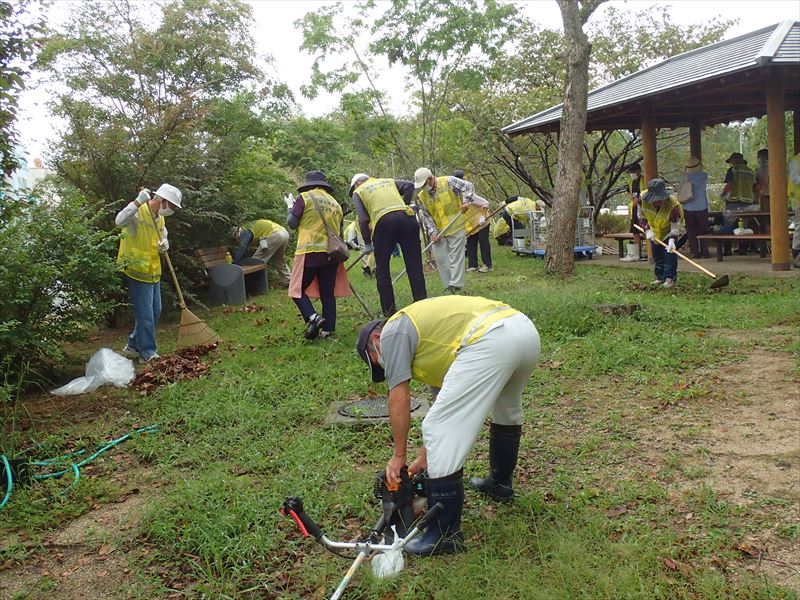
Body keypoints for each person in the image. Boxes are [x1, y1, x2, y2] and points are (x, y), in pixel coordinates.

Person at [356, 296, 541, 556]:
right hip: (523, 332)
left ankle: (444, 534)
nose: (385, 369)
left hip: (491, 339)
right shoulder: (435, 343)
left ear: (375, 340)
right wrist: (423, 457)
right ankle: (500, 484)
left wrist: (399, 456)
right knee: (506, 408)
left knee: (438, 427)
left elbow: (399, 398)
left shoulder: (392, 332)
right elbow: (443, 403)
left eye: (376, 362)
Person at [116, 184, 182, 363]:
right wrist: (137, 202)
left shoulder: (160, 219)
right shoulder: (138, 212)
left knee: (155, 311)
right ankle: (148, 353)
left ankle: (132, 345)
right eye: (173, 206)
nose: (173, 210)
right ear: (163, 200)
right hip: (137, 269)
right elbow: (119, 221)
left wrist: (165, 244)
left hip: (153, 271)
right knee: (145, 314)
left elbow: (163, 235)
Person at [349, 173, 427, 316]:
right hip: (407, 220)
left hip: (384, 224)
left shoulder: (358, 191)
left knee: (382, 269)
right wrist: (405, 204)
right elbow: (409, 185)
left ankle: (389, 311)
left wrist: (367, 243)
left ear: (357, 183)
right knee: (414, 266)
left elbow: (363, 219)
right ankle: (421, 304)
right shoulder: (388, 181)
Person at [286, 170, 350, 340]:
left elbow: (292, 223)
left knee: (296, 290)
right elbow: (340, 232)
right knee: (327, 293)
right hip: (332, 254)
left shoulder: (305, 198)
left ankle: (313, 318)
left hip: (310, 251)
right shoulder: (335, 203)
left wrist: (289, 207)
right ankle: (328, 330)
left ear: (308, 184)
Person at [413, 167, 489, 294]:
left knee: (456, 256)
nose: (423, 188)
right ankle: (447, 284)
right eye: (420, 186)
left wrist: (466, 202)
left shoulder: (448, 181)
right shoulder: (422, 196)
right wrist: (432, 232)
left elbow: (468, 186)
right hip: (439, 230)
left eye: (424, 184)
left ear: (431, 179)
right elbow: (426, 215)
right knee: (441, 258)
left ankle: (456, 285)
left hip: (456, 226)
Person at [640, 179, 684, 289]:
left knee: (669, 254)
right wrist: (647, 230)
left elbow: (676, 224)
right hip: (654, 232)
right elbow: (641, 217)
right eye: (655, 200)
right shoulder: (642, 200)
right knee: (657, 254)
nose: (658, 202)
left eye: (660, 199)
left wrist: (672, 239)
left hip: (669, 231)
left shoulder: (673, 204)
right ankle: (659, 277)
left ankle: (670, 278)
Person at [230, 219, 291, 287]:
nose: (236, 241)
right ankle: (288, 281)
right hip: (284, 233)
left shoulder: (244, 230)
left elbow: (242, 247)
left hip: (275, 234)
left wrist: (234, 263)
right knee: (279, 260)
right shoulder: (251, 226)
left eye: (235, 239)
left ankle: (253, 286)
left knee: (255, 261)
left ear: (236, 233)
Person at [455, 170, 493, 273]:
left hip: (481, 221)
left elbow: (485, 203)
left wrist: (482, 217)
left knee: (483, 242)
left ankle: (487, 265)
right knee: (471, 243)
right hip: (471, 225)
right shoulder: (456, 197)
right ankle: (473, 265)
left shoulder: (468, 195)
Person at [720, 152, 756, 255]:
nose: (731, 164)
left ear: (734, 161)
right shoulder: (750, 172)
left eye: (731, 161)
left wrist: (722, 194)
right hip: (747, 202)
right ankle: (743, 249)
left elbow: (730, 184)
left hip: (733, 201)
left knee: (728, 225)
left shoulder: (732, 170)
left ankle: (727, 249)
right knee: (743, 226)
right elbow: (755, 187)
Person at [681, 157, 711, 259]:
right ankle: (705, 251)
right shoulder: (704, 176)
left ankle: (695, 252)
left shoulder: (684, 177)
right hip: (702, 206)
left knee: (691, 230)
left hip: (688, 206)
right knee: (704, 230)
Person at [624, 163, 646, 262]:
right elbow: (628, 192)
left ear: (639, 171)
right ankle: (637, 254)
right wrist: (633, 199)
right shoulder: (630, 182)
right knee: (635, 231)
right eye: (630, 172)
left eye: (633, 172)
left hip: (644, 209)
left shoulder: (644, 180)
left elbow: (648, 191)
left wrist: (640, 199)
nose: (632, 174)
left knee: (646, 230)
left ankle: (651, 252)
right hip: (634, 209)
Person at [789, 152, 800, 268]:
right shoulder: (797, 160)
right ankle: (797, 256)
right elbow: (795, 178)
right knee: (799, 227)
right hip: (798, 200)